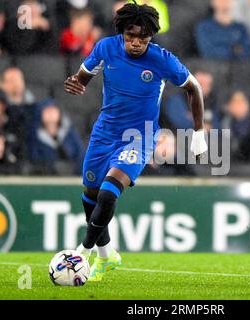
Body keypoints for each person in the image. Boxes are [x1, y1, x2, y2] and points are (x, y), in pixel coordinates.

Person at [63, 1, 207, 281]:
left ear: (151, 36)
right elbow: (82, 78)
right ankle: (107, 257)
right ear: (122, 31)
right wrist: (75, 83)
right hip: (105, 132)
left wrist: (199, 133)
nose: (137, 42)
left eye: (143, 37)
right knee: (91, 197)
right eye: (131, 35)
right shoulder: (106, 47)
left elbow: (194, 87)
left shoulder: (162, 59)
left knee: (108, 193)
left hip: (139, 137)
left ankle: (82, 251)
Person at [28, 100, 84, 175]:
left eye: (53, 111)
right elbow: (33, 160)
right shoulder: (35, 136)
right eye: (47, 111)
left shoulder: (70, 133)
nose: (51, 114)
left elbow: (81, 155)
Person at [221, 90, 250, 162]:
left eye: (241, 103)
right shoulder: (224, 123)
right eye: (235, 103)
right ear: (229, 106)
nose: (238, 107)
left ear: (247, 105)